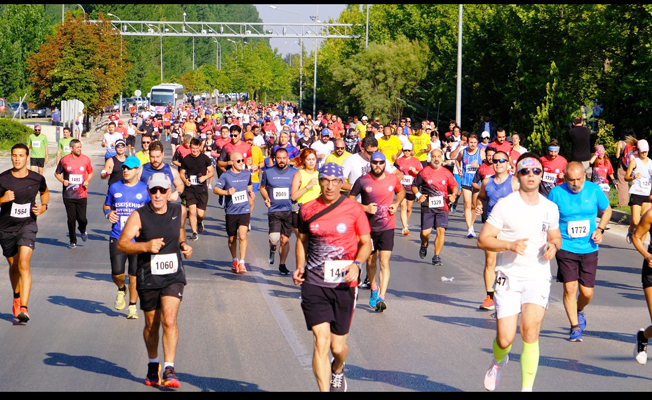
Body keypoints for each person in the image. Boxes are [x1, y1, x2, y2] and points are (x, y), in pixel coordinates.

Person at [478, 152, 561, 392]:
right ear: (518, 174)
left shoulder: (550, 208)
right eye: (525, 171)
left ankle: (527, 389)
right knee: (505, 340)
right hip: (508, 278)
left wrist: (553, 246)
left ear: (541, 174)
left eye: (536, 171)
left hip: (538, 277)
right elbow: (483, 240)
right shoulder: (506, 205)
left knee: (530, 333)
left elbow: (555, 236)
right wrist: (509, 245)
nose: (531, 175)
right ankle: (497, 362)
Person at [293, 162, 372, 392]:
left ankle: (338, 367)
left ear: (341, 184)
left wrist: (357, 264)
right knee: (321, 342)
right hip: (315, 283)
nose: (329, 186)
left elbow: (366, 243)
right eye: (325, 180)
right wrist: (300, 267)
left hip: (344, 284)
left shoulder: (354, 209)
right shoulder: (306, 209)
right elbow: (302, 241)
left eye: (335, 181)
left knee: (338, 348)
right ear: (319, 182)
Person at [117, 172, 192, 389]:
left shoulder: (180, 210)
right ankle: (153, 364)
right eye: (153, 190)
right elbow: (122, 244)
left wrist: (184, 245)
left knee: (169, 319)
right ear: (148, 192)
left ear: (170, 192)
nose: (158, 195)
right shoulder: (139, 216)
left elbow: (179, 232)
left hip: (173, 274)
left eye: (162, 190)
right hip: (147, 275)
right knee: (152, 324)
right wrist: (145, 246)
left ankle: (169, 369)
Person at [548, 161, 611, 342]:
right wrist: (551, 241)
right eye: (571, 180)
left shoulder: (594, 190)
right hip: (566, 246)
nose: (575, 183)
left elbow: (607, 211)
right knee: (570, 288)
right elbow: (546, 218)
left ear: (585, 176)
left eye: (579, 179)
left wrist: (601, 229)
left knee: (587, 292)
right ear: (565, 178)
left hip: (589, 247)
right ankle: (575, 327)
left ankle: (579, 309)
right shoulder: (556, 193)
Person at [0, 143, 49, 323]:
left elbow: (45, 193)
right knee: (13, 267)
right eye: (14, 155)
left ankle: (24, 308)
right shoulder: (3, 179)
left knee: (23, 263)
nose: (17, 158)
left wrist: (44, 206)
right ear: (11, 157)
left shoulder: (36, 178)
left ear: (27, 157)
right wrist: (3, 199)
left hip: (27, 225)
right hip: (6, 228)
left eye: (21, 155)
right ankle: (16, 296)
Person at [349, 152, 404, 312]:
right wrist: (365, 207)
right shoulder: (363, 180)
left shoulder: (392, 179)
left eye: (381, 163)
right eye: (375, 163)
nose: (378, 165)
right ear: (371, 164)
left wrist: (397, 204)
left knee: (385, 261)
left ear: (385, 164)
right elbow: (351, 199)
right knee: (371, 262)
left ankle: (382, 296)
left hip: (387, 226)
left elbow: (400, 191)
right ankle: (373, 287)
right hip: (368, 228)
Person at [103, 156, 150, 320]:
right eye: (124, 168)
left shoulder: (145, 189)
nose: (125, 170)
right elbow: (107, 205)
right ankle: (121, 288)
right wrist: (108, 213)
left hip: (137, 240)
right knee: (117, 272)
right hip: (118, 236)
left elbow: (152, 211)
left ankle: (132, 307)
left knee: (134, 275)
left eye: (129, 168)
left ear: (138, 170)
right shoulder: (115, 187)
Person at [474, 150, 519, 311]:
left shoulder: (515, 183)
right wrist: (479, 205)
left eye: (502, 161)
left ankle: (512, 293)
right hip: (491, 225)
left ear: (508, 164)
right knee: (490, 261)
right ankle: (489, 297)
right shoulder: (487, 182)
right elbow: (481, 197)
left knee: (511, 262)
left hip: (510, 227)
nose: (498, 163)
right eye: (495, 161)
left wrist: (508, 203)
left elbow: (525, 203)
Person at [412, 149, 458, 266]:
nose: (436, 159)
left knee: (440, 231)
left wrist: (454, 195)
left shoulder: (447, 173)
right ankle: (424, 244)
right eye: (433, 156)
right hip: (428, 206)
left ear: (441, 158)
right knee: (425, 233)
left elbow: (454, 186)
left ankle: (436, 256)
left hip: (443, 207)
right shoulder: (424, 172)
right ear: (430, 158)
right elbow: (414, 185)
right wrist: (418, 195)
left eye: (438, 156)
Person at [213, 152, 254, 273]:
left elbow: (249, 186)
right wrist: (227, 193)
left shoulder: (247, 174)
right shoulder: (226, 175)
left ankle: (242, 262)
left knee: (242, 236)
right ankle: (235, 259)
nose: (242, 163)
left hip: (244, 209)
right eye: (239, 161)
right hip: (231, 210)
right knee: (232, 238)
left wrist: (251, 193)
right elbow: (216, 189)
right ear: (232, 162)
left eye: (243, 160)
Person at [260, 148, 297, 275]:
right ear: (275, 158)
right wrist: (266, 198)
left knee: (285, 240)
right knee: (274, 238)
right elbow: (263, 188)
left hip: (289, 210)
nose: (281, 160)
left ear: (288, 158)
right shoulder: (268, 172)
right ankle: (272, 248)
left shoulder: (294, 172)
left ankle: (282, 264)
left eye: (284, 158)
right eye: (279, 158)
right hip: (274, 210)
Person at [54, 139, 94, 249]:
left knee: (82, 218)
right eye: (77, 147)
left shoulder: (85, 159)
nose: (80, 149)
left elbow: (90, 172)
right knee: (71, 218)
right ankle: (72, 240)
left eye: (80, 147)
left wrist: (87, 181)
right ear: (71, 148)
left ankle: (82, 230)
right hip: (68, 194)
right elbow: (57, 174)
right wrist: (63, 181)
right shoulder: (64, 160)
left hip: (81, 194)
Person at [179, 138, 214, 241]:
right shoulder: (186, 159)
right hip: (190, 189)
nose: (194, 150)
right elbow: (181, 172)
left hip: (202, 190)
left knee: (200, 214)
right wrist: (185, 181)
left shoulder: (205, 158)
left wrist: (204, 177)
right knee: (192, 212)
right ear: (190, 148)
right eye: (192, 148)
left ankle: (199, 221)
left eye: (196, 148)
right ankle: (194, 232)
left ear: (199, 147)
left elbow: (211, 172)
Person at [625, 139, 652, 244]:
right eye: (642, 151)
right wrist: (633, 177)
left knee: (645, 222)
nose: (644, 153)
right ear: (638, 151)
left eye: (646, 151)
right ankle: (631, 230)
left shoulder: (651, 163)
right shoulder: (634, 162)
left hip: (647, 194)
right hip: (636, 192)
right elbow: (626, 177)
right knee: (636, 221)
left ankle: (640, 244)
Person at [457, 133, 483, 238]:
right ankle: (469, 228)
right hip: (466, 182)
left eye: (475, 143)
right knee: (467, 204)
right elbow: (457, 160)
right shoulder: (463, 152)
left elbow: (486, 165)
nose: (472, 145)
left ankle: (471, 224)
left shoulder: (481, 152)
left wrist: (479, 165)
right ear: (467, 142)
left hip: (477, 183)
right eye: (471, 142)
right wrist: (459, 169)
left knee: (474, 206)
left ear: (477, 143)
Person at [291, 149, 321, 237]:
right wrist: (308, 186)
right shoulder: (299, 174)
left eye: (313, 159)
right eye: (308, 159)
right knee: (302, 240)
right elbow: (293, 196)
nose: (311, 162)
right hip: (300, 212)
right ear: (304, 161)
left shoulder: (319, 174)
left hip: (315, 213)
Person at [394, 142, 423, 236]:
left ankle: (406, 222)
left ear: (411, 151)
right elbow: (394, 171)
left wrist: (415, 171)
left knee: (409, 208)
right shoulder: (398, 161)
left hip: (411, 186)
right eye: (405, 150)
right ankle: (405, 226)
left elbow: (422, 173)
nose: (406, 152)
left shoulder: (416, 161)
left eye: (408, 151)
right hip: (401, 186)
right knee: (403, 206)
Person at [615, 134, 638, 207]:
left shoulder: (621, 143)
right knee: (635, 182)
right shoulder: (636, 143)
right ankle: (635, 201)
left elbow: (617, 156)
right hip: (635, 165)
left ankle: (623, 203)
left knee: (622, 184)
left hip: (623, 165)